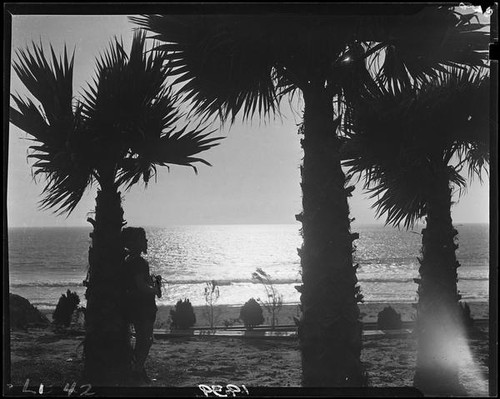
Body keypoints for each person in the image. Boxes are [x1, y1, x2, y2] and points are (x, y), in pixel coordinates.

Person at [122, 227, 161, 383]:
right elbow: (141, 286)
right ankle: (137, 370)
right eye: (143, 239)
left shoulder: (127, 260)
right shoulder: (139, 262)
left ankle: (138, 368)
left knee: (142, 338)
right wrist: (155, 289)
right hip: (143, 307)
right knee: (145, 339)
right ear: (135, 242)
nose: (146, 242)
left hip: (134, 306)